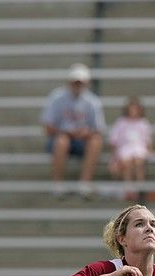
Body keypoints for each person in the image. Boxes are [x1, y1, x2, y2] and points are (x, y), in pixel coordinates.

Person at [41, 63, 105, 199]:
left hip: (82, 141)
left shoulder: (92, 101)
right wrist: (65, 132)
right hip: (60, 139)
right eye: (75, 82)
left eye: (80, 82)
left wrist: (85, 133)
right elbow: (48, 127)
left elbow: (98, 130)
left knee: (96, 141)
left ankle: (84, 183)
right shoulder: (56, 97)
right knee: (62, 140)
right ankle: (57, 184)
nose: (77, 85)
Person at [107, 97, 152, 201]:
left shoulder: (143, 122)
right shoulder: (121, 122)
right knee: (126, 162)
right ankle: (128, 189)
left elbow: (147, 140)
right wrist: (114, 156)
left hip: (139, 148)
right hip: (125, 148)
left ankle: (140, 188)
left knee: (138, 162)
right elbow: (114, 140)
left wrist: (149, 150)